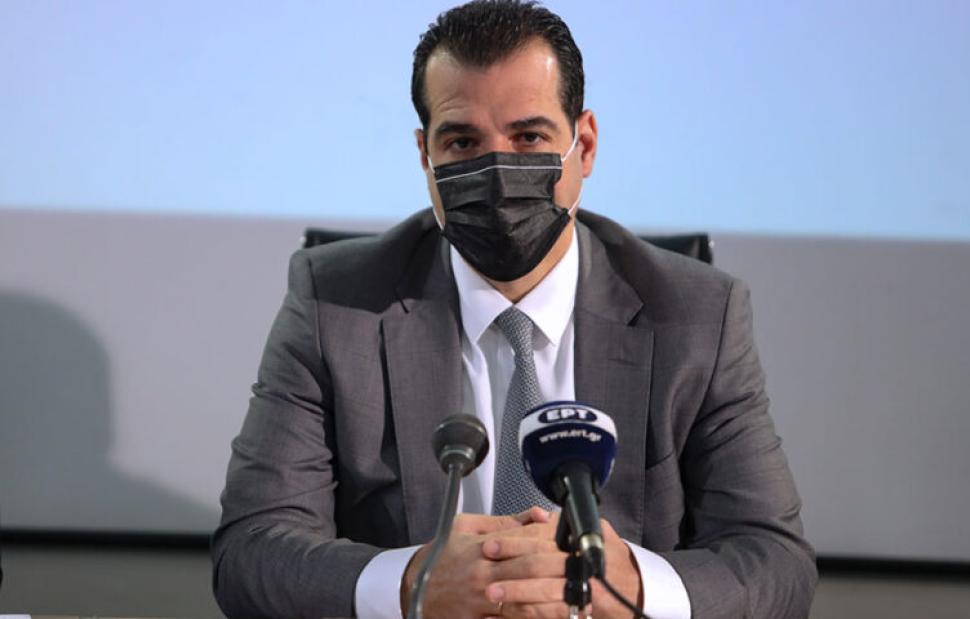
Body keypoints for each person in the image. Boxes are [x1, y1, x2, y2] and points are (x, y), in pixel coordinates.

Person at [212, 1, 817, 618]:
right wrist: (410, 583)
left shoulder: (697, 315)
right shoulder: (334, 304)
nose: (498, 172)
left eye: (529, 137)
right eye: (463, 142)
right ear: (425, 156)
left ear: (584, 145)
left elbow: (774, 560)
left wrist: (635, 587)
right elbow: (252, 551)